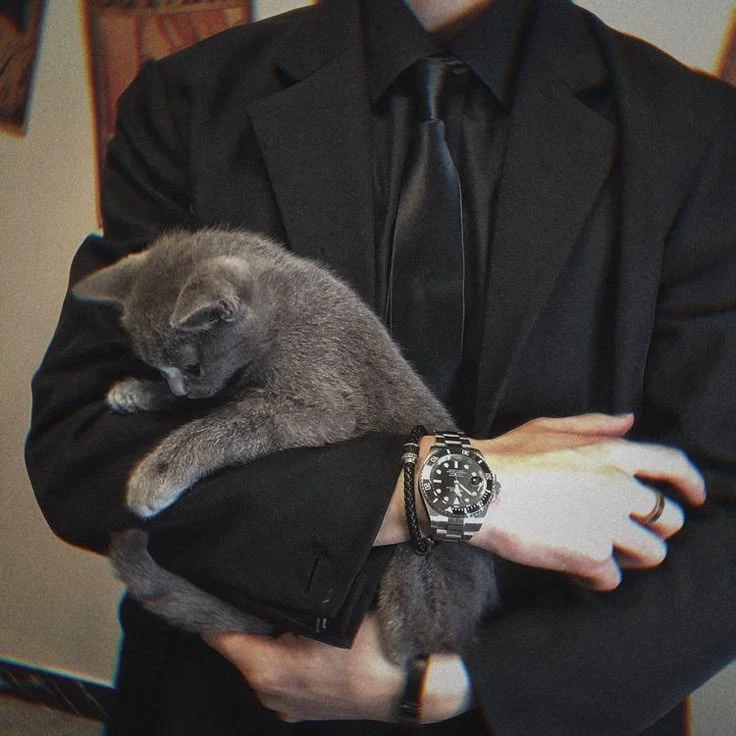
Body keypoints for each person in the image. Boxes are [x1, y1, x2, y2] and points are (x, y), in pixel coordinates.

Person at [25, 0, 736, 734]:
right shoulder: (187, 102)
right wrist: (453, 488)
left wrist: (465, 684)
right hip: (223, 695)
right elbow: (83, 451)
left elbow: (725, 508)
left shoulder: (701, 135)